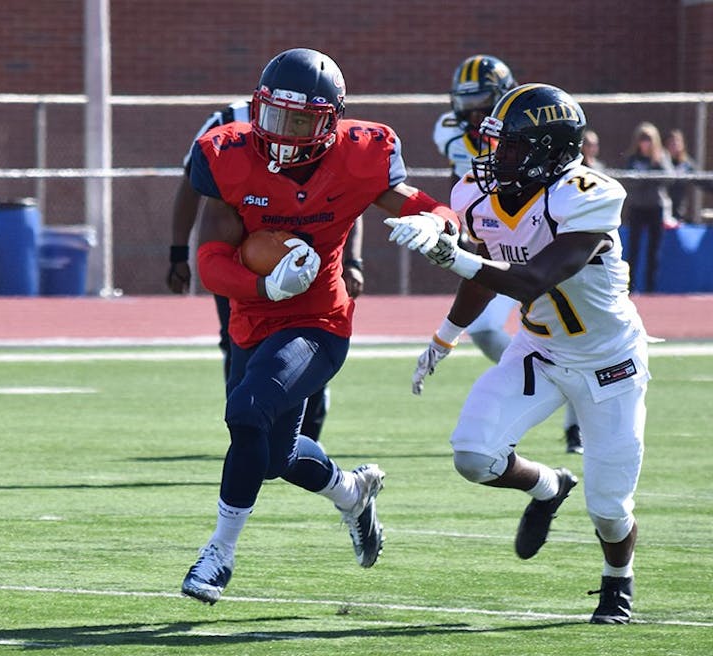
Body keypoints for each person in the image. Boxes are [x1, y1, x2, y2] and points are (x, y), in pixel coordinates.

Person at [180, 47, 459, 605]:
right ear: (257, 109)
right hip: (253, 320)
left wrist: (437, 228)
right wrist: (263, 286)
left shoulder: (362, 155)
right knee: (275, 457)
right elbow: (208, 260)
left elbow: (430, 208)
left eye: (299, 120)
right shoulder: (227, 154)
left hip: (319, 322)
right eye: (274, 115)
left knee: (245, 411)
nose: (282, 132)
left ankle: (218, 555)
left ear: (329, 122)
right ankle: (352, 493)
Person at [386, 83, 650, 624]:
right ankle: (550, 486)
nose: (493, 157)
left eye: (509, 147)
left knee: (609, 510)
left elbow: (532, 280)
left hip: (609, 363)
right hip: (540, 351)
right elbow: (488, 273)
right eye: (493, 144)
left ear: (549, 150)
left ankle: (617, 580)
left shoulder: (586, 194)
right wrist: (444, 336)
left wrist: (449, 257)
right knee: (474, 456)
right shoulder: (476, 194)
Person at [167, 99, 365, 442]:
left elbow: (350, 199)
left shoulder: (324, 134)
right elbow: (193, 184)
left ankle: (302, 436)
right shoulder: (227, 125)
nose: (287, 127)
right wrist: (178, 253)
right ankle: (249, 434)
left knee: (307, 346)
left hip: (307, 264)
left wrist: (352, 260)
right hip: (244, 261)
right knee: (239, 342)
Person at [433, 54, 583, 454]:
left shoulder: (537, 125)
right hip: (501, 235)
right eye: (465, 103)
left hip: (544, 240)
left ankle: (575, 420)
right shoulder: (450, 133)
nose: (471, 113)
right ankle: (539, 386)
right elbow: (461, 182)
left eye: (481, 103)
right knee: (482, 328)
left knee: (578, 331)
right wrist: (459, 228)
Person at [622, 122, 673, 292]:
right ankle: (629, 288)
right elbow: (628, 181)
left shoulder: (661, 157)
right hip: (637, 207)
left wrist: (656, 165)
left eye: (649, 139)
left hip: (655, 208)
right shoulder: (632, 159)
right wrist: (643, 181)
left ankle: (650, 289)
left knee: (654, 251)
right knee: (634, 249)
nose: (645, 142)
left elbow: (670, 179)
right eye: (642, 138)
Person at [664, 128, 696, 222]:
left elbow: (701, 180)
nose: (675, 145)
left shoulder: (686, 164)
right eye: (671, 142)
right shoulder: (661, 161)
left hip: (679, 207)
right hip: (662, 205)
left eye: (677, 142)